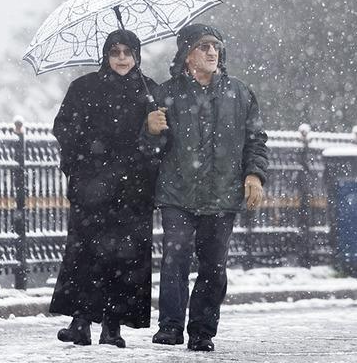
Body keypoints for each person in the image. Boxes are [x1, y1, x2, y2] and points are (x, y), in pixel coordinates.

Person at [142, 23, 268, 352]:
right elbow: (150, 152)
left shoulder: (240, 93)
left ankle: (202, 330)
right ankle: (170, 326)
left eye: (216, 45)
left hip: (222, 194)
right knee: (176, 259)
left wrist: (254, 175)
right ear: (187, 55)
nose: (212, 51)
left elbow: (256, 141)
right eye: (203, 46)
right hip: (177, 194)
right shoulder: (165, 95)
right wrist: (151, 130)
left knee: (213, 265)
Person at [49, 29, 158, 348]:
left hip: (133, 190)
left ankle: (113, 326)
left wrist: (151, 133)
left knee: (125, 259)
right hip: (92, 187)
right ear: (105, 55)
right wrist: (87, 156)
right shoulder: (84, 88)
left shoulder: (149, 90)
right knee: (87, 254)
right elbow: (64, 127)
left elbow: (162, 139)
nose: (122, 58)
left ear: (137, 55)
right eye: (115, 52)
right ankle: (80, 321)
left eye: (127, 52)